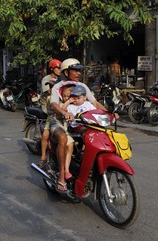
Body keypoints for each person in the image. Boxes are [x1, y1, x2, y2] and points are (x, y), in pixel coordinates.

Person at [49, 58, 107, 193]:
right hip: (58, 121)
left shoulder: (82, 86)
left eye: (80, 70)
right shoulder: (58, 87)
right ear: (66, 72)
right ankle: (62, 177)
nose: (79, 73)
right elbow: (53, 105)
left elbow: (95, 103)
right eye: (76, 70)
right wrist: (64, 113)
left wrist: (108, 113)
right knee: (63, 138)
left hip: (78, 122)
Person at [38, 59, 62, 167]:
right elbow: (49, 93)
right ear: (52, 68)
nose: (59, 70)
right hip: (48, 104)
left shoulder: (62, 78)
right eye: (58, 68)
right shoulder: (46, 79)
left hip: (60, 104)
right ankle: (43, 155)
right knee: (47, 129)